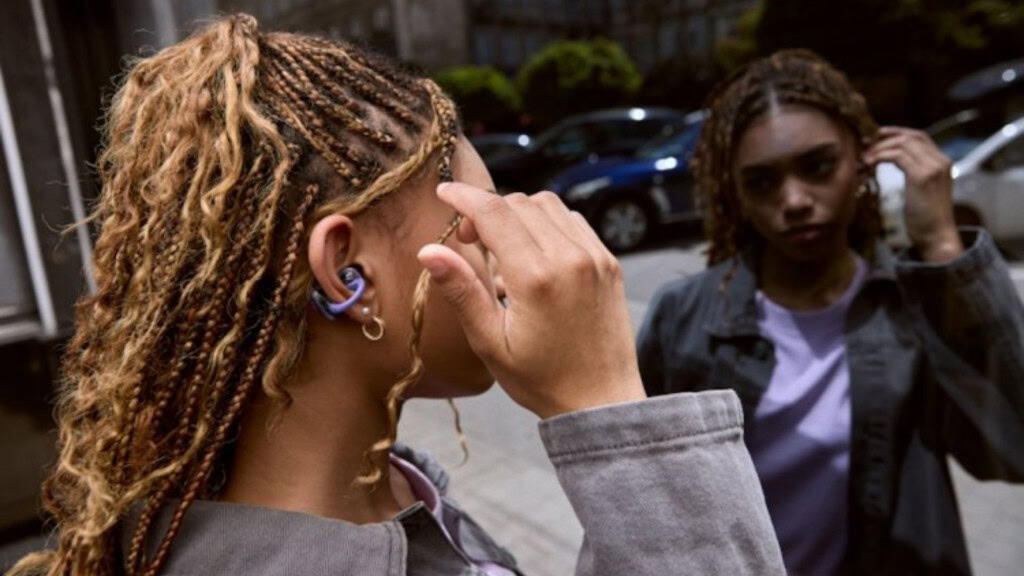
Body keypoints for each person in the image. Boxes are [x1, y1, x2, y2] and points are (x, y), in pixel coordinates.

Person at [7, 15, 786, 576]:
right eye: (474, 222)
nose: (508, 252)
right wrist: (609, 401)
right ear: (347, 273)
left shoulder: (392, 496)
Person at [638, 49, 1024, 576]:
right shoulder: (682, 318)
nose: (795, 199)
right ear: (736, 195)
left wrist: (940, 242)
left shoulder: (917, 310)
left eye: (818, 167)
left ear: (864, 162)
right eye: (763, 182)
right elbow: (643, 499)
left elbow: (1011, 448)